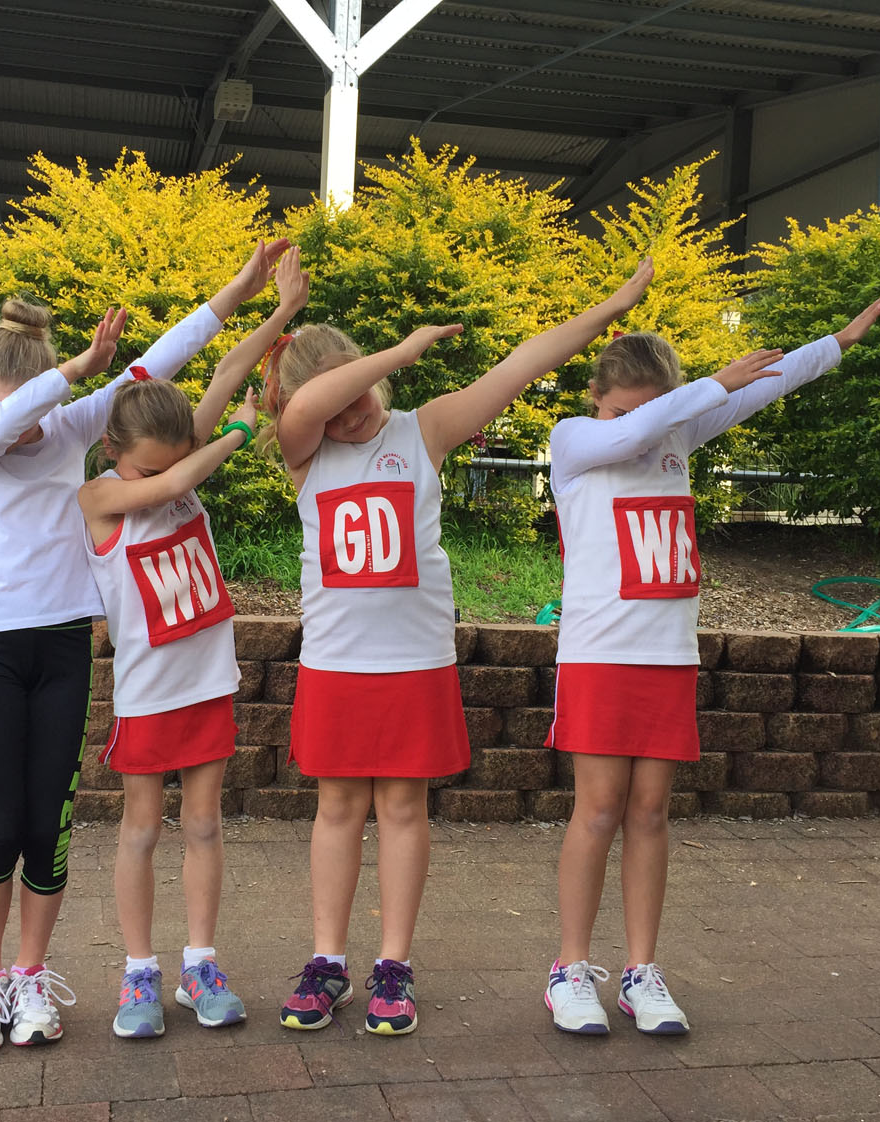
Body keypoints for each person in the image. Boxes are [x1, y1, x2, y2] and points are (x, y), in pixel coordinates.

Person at [265, 259, 655, 1036]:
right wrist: (400, 352)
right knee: (337, 807)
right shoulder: (305, 448)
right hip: (336, 667)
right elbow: (306, 404)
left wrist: (610, 306)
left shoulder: (423, 429)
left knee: (402, 808)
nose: (350, 418)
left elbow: (520, 366)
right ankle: (326, 960)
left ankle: (394, 965)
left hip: (414, 665)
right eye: (337, 409)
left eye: (359, 399)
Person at [0, 239, 290, 1052]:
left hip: (63, 642)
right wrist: (70, 372)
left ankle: (31, 973)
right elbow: (0, 425)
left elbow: (164, 365)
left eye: (8, 408)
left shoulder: (68, 429)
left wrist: (238, 294)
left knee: (47, 826)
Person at [543, 291, 880, 1037]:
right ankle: (569, 969)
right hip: (600, 655)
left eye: (654, 410)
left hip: (668, 655)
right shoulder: (574, 441)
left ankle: (641, 972)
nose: (638, 426)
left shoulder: (675, 431)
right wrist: (708, 387)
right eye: (623, 410)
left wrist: (837, 341)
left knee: (649, 812)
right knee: (598, 809)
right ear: (596, 396)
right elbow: (648, 424)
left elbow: (763, 383)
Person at [79, 247, 310, 1038]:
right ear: (114, 453)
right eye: (149, 465)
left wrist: (279, 312)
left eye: (176, 454)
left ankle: (200, 964)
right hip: (148, 693)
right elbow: (176, 482)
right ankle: (139, 971)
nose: (166, 472)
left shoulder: (176, 454)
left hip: (207, 679)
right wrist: (238, 431)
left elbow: (225, 375)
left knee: (206, 823)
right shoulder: (101, 495)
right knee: (142, 828)